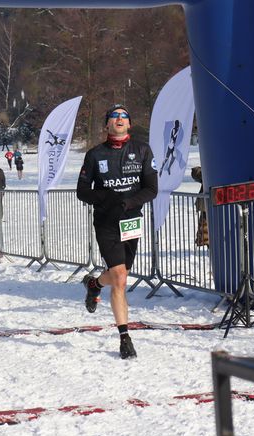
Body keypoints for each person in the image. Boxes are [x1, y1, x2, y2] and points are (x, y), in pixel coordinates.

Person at [77, 104, 158, 359]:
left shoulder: (142, 150)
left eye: (125, 116)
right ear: (106, 125)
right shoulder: (94, 155)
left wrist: (128, 203)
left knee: (120, 276)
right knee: (121, 278)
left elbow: (151, 189)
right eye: (114, 116)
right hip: (106, 222)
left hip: (131, 221)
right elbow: (82, 191)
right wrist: (106, 198)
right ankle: (125, 337)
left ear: (129, 124)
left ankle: (94, 284)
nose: (120, 118)